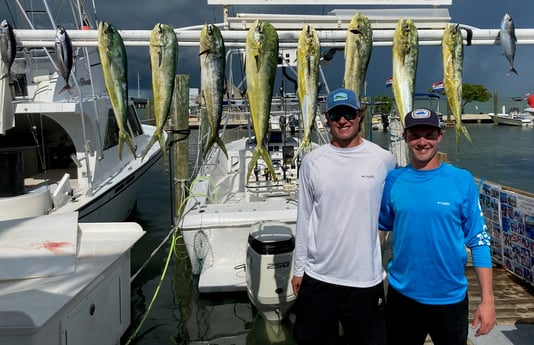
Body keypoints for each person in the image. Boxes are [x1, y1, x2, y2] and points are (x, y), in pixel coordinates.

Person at [379, 108, 496, 345]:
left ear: (439, 136)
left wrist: (488, 301)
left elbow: (479, 241)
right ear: (405, 137)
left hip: (450, 298)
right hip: (402, 297)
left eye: (429, 134)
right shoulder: (393, 179)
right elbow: (382, 226)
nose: (422, 142)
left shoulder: (461, 180)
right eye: (415, 135)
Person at [291, 88, 396, 345]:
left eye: (348, 113)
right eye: (336, 114)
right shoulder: (312, 161)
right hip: (318, 277)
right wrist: (298, 269)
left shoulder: (384, 160)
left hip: (365, 280)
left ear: (360, 115)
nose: (342, 120)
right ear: (327, 118)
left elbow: (397, 214)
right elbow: (304, 218)